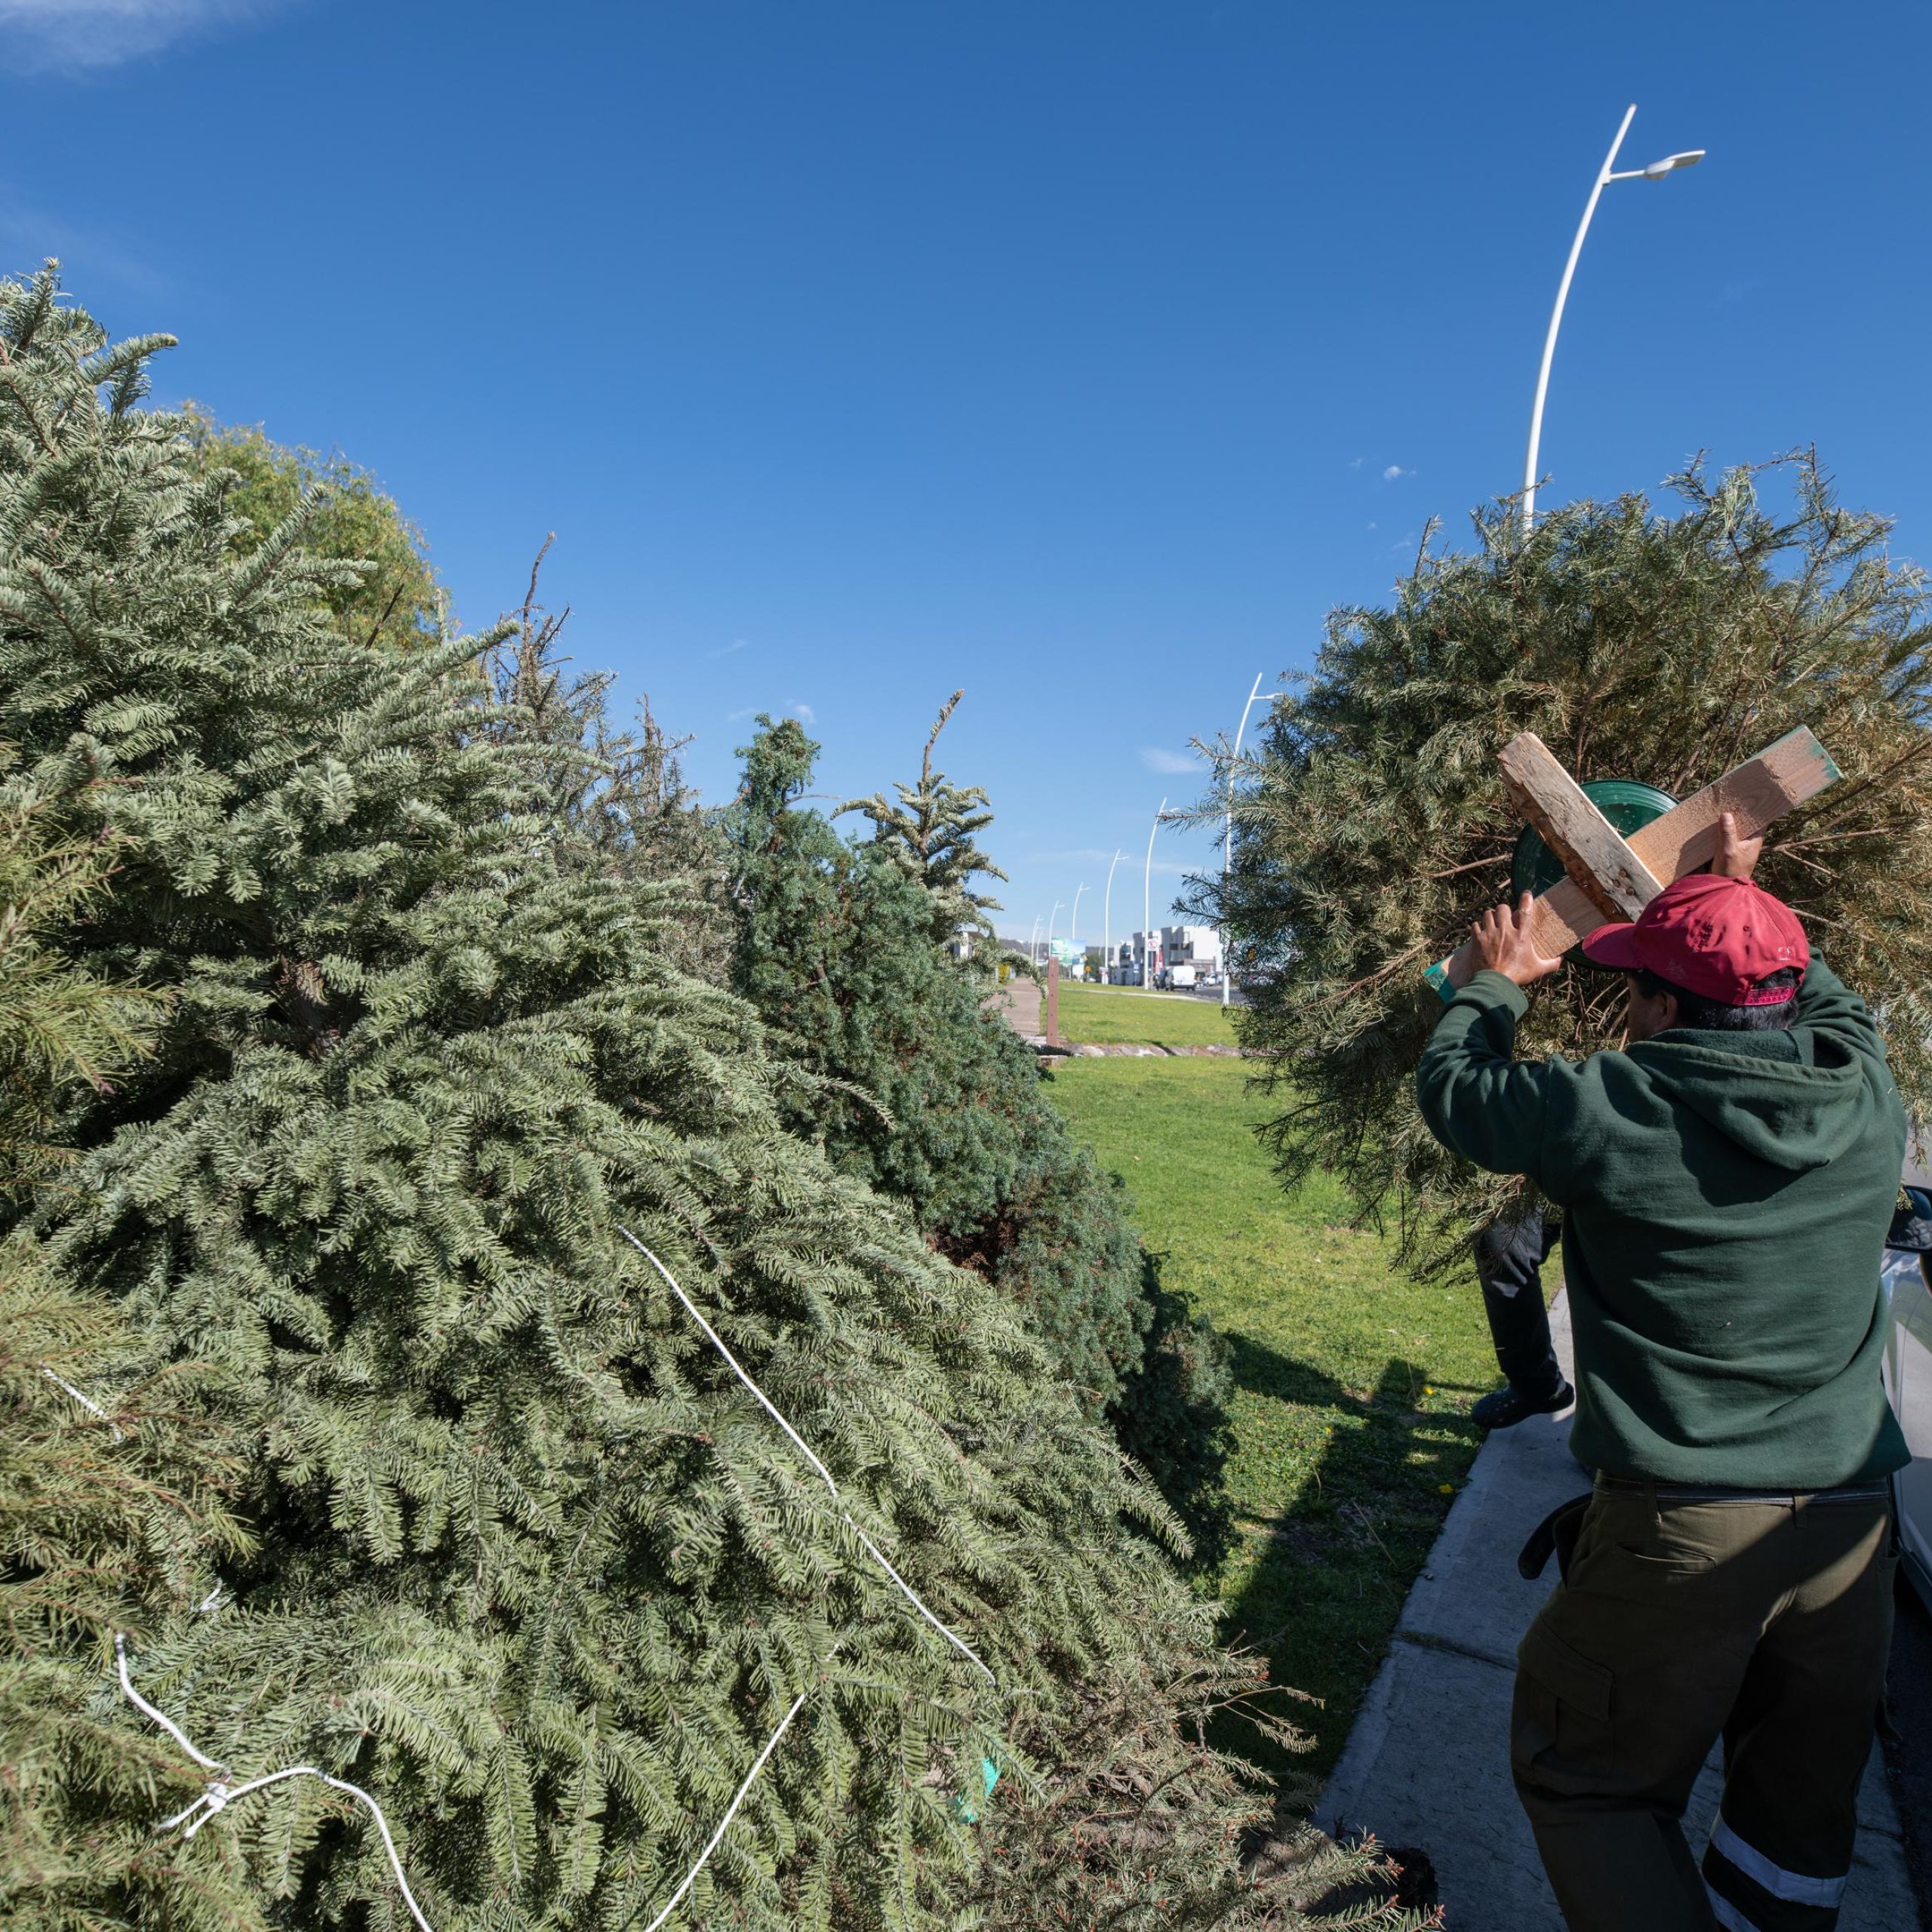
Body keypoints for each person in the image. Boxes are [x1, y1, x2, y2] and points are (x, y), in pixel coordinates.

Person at [1416, 814, 1908, 1932]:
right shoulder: (1868, 1099)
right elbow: (1827, 1002)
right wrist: (1747, 902)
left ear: (1669, 1010)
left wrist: (1495, 986)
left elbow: (1457, 1091)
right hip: (1850, 1537)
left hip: (1687, 1535)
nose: (1628, 1008)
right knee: (1793, 1833)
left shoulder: (1612, 1109)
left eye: (1640, 989)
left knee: (1587, 1781)